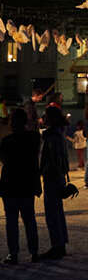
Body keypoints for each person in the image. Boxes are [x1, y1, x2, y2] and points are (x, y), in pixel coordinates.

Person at [0, 108, 41, 265]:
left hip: (10, 184)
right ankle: (34, 251)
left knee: (12, 221)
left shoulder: (7, 142)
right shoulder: (33, 139)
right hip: (27, 184)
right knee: (29, 219)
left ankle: (14, 253)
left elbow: (3, 159)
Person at [40, 106, 69, 259]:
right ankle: (60, 244)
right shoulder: (59, 135)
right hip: (57, 176)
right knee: (57, 211)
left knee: (52, 212)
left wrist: (43, 170)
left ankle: (57, 245)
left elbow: (51, 160)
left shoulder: (52, 137)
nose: (43, 119)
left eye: (45, 117)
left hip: (52, 177)